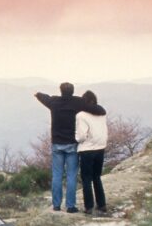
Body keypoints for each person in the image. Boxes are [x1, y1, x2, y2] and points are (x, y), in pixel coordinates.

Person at [34, 83, 106, 213]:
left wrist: (37, 94)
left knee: (57, 175)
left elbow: (45, 98)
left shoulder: (54, 102)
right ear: (73, 91)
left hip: (57, 144)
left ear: (60, 91)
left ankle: (56, 205)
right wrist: (101, 110)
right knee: (71, 175)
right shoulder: (78, 102)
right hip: (72, 144)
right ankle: (70, 206)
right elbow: (98, 109)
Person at [75, 90, 108, 215]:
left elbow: (81, 136)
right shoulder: (102, 113)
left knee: (86, 179)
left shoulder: (81, 115)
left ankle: (89, 207)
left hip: (87, 149)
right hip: (100, 148)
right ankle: (102, 204)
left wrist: (76, 139)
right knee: (97, 177)